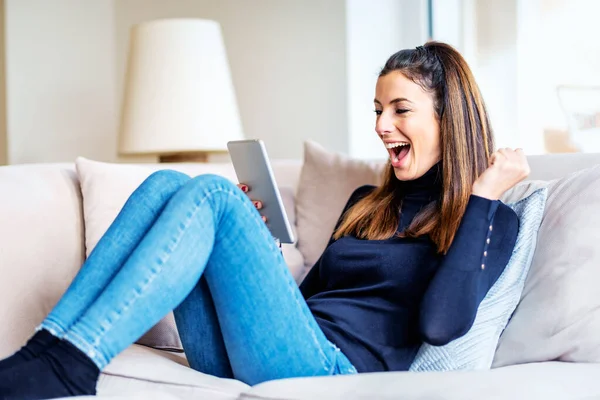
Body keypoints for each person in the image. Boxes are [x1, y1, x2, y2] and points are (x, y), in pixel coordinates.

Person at [0, 41, 529, 399]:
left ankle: (71, 359)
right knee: (166, 185)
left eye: (400, 109)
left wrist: (480, 197)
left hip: (329, 374)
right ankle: (52, 347)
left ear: (448, 117)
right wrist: (255, 256)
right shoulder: (368, 201)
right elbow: (310, 301)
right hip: (267, 350)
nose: (382, 125)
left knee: (210, 193)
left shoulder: (487, 222)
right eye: (376, 110)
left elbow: (441, 326)